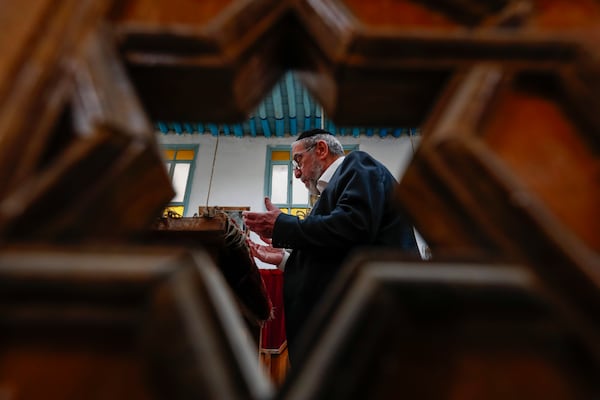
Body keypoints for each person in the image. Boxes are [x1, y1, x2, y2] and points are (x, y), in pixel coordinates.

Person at [242, 128, 419, 365]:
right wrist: (285, 259)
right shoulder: (331, 194)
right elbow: (336, 251)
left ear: (321, 150)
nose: (296, 173)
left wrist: (283, 226)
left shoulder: (357, 165)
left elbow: (352, 226)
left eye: (298, 160)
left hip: (373, 324)